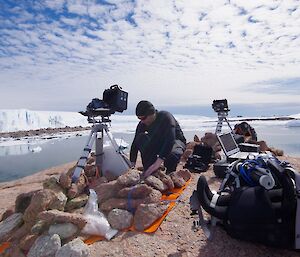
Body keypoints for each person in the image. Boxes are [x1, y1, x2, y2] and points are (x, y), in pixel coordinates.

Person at [130, 100, 186, 178]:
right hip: (160, 143)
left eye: (143, 118)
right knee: (141, 138)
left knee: (172, 154)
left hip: (175, 142)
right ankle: (150, 170)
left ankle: (169, 173)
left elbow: (170, 140)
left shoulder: (165, 117)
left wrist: (158, 163)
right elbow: (135, 144)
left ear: (151, 113)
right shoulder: (143, 124)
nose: (142, 121)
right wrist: (131, 166)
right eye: (140, 119)